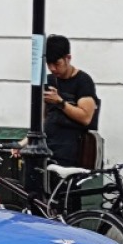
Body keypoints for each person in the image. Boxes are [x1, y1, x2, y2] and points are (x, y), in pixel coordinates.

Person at [41, 33, 99, 168]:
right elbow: (46, 118)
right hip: (48, 147)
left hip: (70, 152)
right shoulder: (49, 81)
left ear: (68, 58)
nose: (52, 68)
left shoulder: (83, 81)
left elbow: (85, 117)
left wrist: (60, 103)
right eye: (49, 64)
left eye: (57, 63)